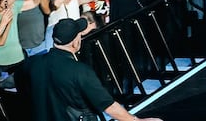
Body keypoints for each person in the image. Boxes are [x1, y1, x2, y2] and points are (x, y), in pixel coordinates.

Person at [21, 17, 163, 121]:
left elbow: (12, 84)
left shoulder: (31, 63)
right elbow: (108, 106)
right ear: (75, 42)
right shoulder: (79, 70)